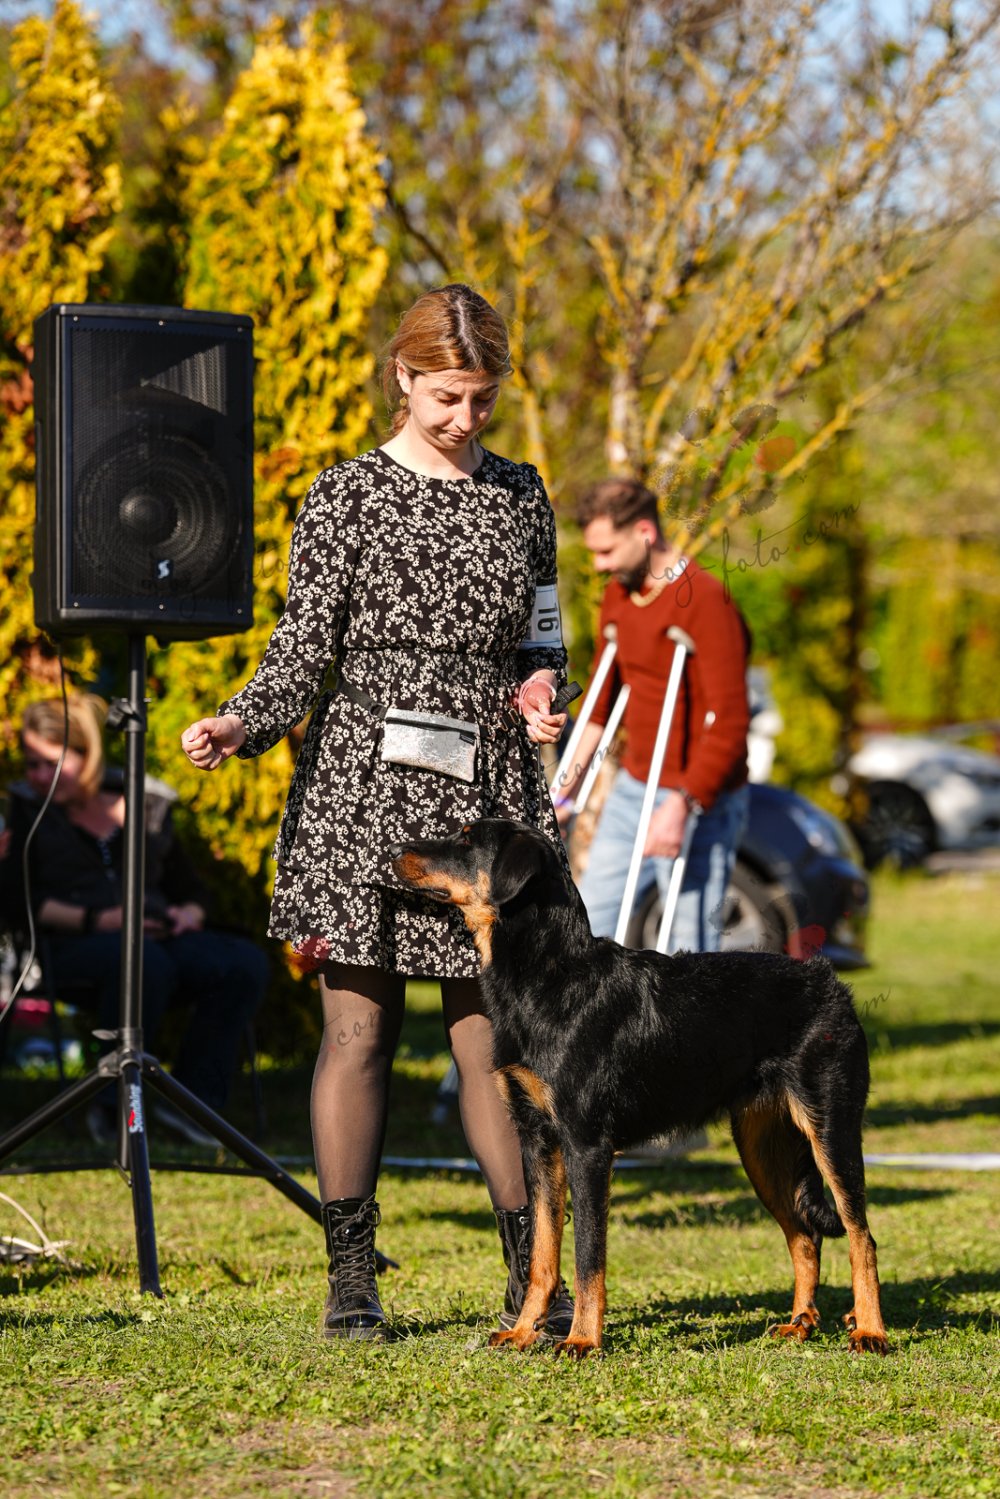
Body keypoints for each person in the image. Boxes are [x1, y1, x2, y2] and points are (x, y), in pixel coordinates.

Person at [180, 283, 573, 1343]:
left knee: (491, 1041)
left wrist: (543, 687)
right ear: (403, 376)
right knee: (356, 1032)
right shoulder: (346, 494)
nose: (464, 417)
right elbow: (304, 642)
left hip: (487, 796)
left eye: (482, 399)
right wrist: (242, 723)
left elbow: (543, 634)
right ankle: (352, 1279)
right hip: (363, 792)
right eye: (446, 395)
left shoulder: (521, 493)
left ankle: (532, 1280)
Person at [0, 694, 268, 1146]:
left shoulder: (146, 804)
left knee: (243, 962)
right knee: (143, 962)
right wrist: (99, 919)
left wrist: (188, 913)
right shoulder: (27, 811)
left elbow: (191, 889)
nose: (39, 776)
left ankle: (192, 1105)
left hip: (155, 935)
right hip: (67, 943)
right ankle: (113, 1106)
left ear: (87, 756)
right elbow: (16, 900)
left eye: (52, 763)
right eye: (32, 765)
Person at [556, 477, 751, 956]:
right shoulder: (619, 596)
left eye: (606, 551)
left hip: (699, 798)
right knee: (589, 925)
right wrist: (565, 791)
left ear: (644, 532)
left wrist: (683, 803)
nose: (599, 565)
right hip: (634, 787)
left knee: (688, 948)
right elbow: (599, 708)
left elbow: (731, 721)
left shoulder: (706, 600)